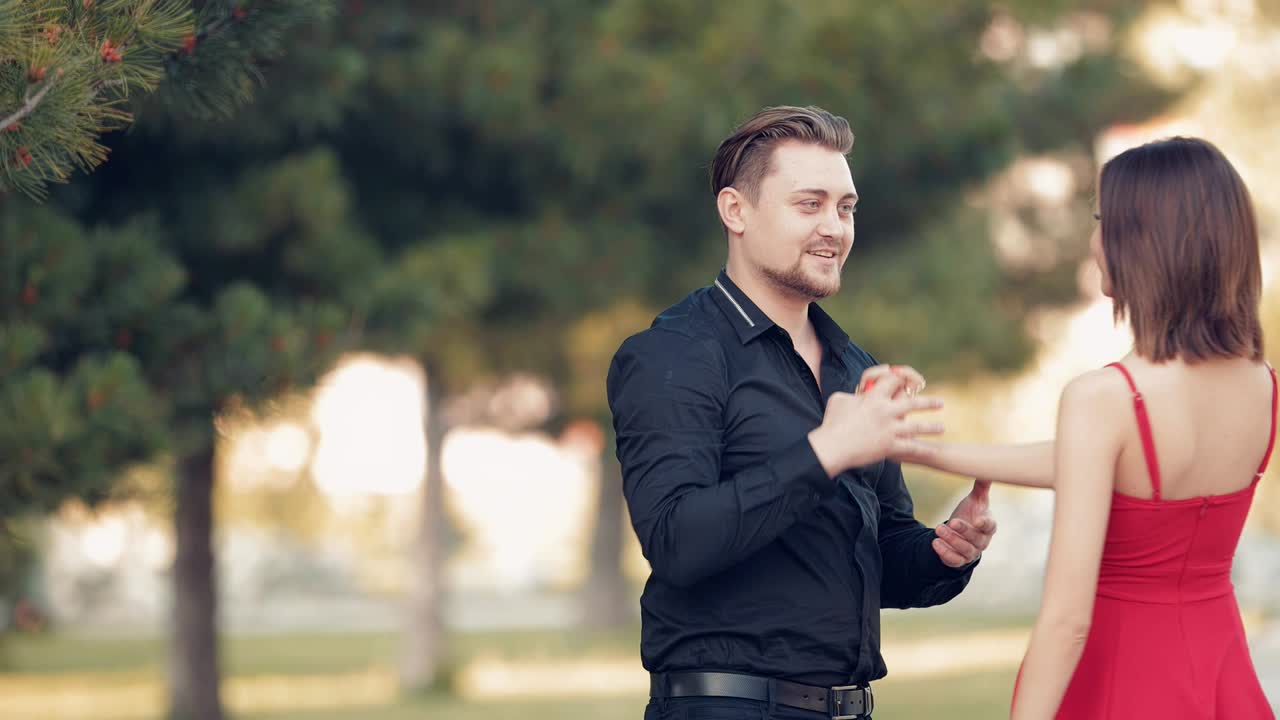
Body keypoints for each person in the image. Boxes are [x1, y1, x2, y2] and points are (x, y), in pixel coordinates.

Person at [606, 105, 997, 720]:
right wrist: (826, 452)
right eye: (809, 205)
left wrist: (943, 552)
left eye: (846, 208)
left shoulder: (854, 365)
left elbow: (877, 552)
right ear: (736, 211)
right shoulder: (673, 353)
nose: (834, 228)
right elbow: (676, 542)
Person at [894, 136, 1277, 719]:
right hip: (1221, 680)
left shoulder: (1106, 397)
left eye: (1102, 221)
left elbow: (1067, 621)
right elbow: (1099, 464)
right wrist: (922, 449)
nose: (1094, 242)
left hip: (1124, 681)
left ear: (1145, 240)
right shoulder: (1263, 385)